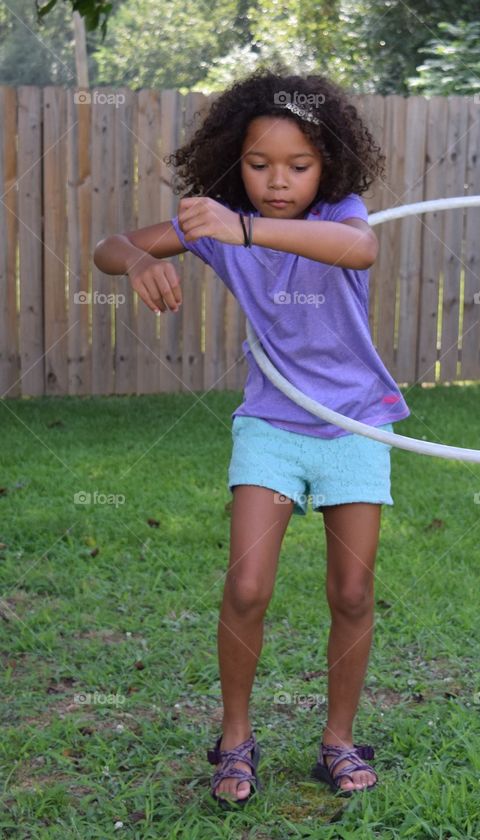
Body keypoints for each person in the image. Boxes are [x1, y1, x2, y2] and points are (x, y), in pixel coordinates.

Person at [93, 66, 409, 807]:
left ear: (327, 162)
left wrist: (240, 226)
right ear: (234, 161)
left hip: (355, 422)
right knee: (245, 586)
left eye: (297, 166)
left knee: (355, 591)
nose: (277, 181)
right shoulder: (217, 226)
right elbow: (110, 245)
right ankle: (235, 739)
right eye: (259, 165)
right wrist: (140, 259)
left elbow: (359, 250)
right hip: (270, 421)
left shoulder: (341, 212)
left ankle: (339, 739)